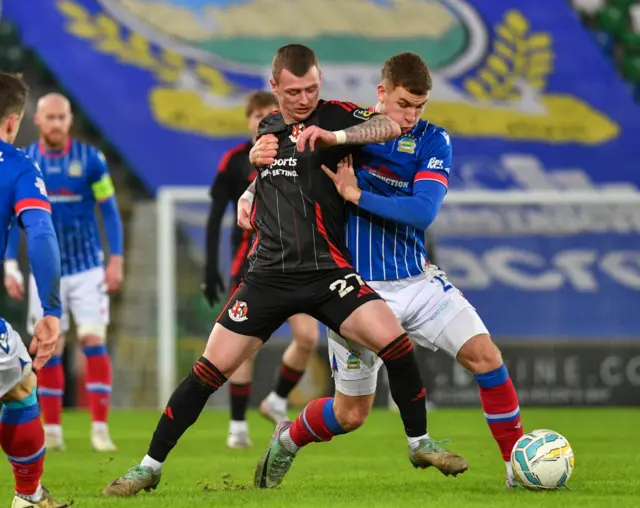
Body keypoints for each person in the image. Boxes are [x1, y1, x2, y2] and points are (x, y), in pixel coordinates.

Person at [102, 43, 465, 497]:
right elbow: (276, 171)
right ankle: (148, 467)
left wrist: (336, 139)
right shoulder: (268, 129)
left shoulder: (337, 116)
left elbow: (389, 124)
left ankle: (418, 442)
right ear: (274, 88)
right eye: (293, 91)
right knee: (207, 373)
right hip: (268, 276)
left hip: (327, 272)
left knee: (395, 342)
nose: (304, 99)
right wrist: (252, 188)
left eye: (312, 88)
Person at [255, 52, 523, 489]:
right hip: (357, 293)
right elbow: (286, 163)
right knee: (350, 414)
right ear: (382, 94)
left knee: (486, 357)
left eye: (419, 107)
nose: (410, 116)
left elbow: (422, 211)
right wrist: (253, 186)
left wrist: (357, 195)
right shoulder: (351, 134)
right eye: (403, 105)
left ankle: (518, 467)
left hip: (418, 282)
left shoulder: (434, 141)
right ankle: (289, 438)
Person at [3, 93, 124, 452]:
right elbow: (10, 221)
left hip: (87, 267)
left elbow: (110, 211)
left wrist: (115, 259)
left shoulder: (91, 160)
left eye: (62, 117)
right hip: (47, 274)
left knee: (92, 339)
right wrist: (10, 264)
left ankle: (100, 428)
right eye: (49, 117)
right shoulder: (25, 161)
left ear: (70, 120)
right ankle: (52, 429)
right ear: (35, 121)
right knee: (47, 349)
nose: (56, 123)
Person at [203, 90, 319, 449]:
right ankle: (237, 426)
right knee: (244, 348)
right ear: (249, 120)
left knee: (308, 337)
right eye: (256, 115)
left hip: (294, 262)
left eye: (268, 114)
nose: (262, 121)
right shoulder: (237, 159)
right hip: (250, 263)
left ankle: (277, 399)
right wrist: (210, 266)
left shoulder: (298, 152)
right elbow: (216, 214)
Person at [0, 72, 68, 507]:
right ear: (14, 121)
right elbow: (40, 234)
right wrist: (51, 310)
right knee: (22, 386)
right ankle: (29, 498)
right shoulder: (19, 165)